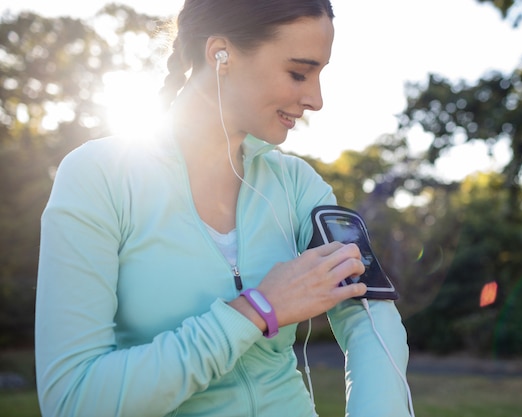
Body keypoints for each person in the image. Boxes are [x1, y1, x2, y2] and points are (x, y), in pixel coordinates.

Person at [35, 1, 412, 416]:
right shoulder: (99, 177)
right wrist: (255, 310)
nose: (316, 99)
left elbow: (370, 317)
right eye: (299, 72)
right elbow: (73, 400)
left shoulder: (298, 185)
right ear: (221, 53)